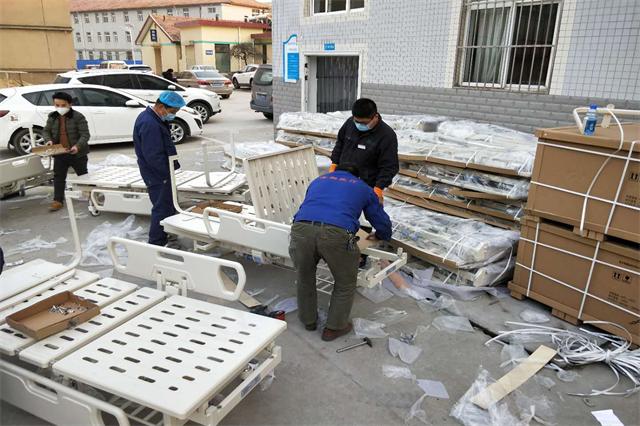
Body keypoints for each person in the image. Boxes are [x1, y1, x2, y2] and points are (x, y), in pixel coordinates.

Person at [289, 163, 392, 341]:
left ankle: (309, 321)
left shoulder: (318, 181)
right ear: (357, 176)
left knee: (304, 277)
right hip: (336, 233)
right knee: (345, 282)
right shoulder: (363, 188)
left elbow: (310, 206)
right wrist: (382, 235)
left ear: (335, 171)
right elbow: (378, 218)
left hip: (301, 229)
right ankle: (334, 328)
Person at [133, 91, 185, 246]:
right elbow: (153, 155)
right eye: (173, 111)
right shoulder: (149, 123)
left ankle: (167, 233)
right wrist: (166, 175)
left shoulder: (155, 118)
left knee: (167, 205)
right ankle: (156, 243)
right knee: (161, 207)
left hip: (159, 172)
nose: (174, 115)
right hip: (157, 173)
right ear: (162, 107)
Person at [330, 98, 399, 203]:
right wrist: (334, 163)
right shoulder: (350, 123)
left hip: (365, 185)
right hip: (343, 178)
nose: (359, 125)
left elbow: (389, 166)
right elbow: (340, 142)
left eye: (364, 123)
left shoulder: (387, 136)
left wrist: (378, 188)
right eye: (357, 121)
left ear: (375, 116)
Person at [43, 91, 90, 211]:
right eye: (57, 105)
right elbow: (46, 131)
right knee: (58, 177)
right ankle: (58, 201)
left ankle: (92, 197)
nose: (60, 108)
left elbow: (85, 135)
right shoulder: (52, 116)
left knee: (83, 176)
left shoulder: (78, 116)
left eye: (63, 105)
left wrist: (77, 146)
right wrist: (48, 140)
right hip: (59, 152)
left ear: (70, 104)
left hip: (77, 153)